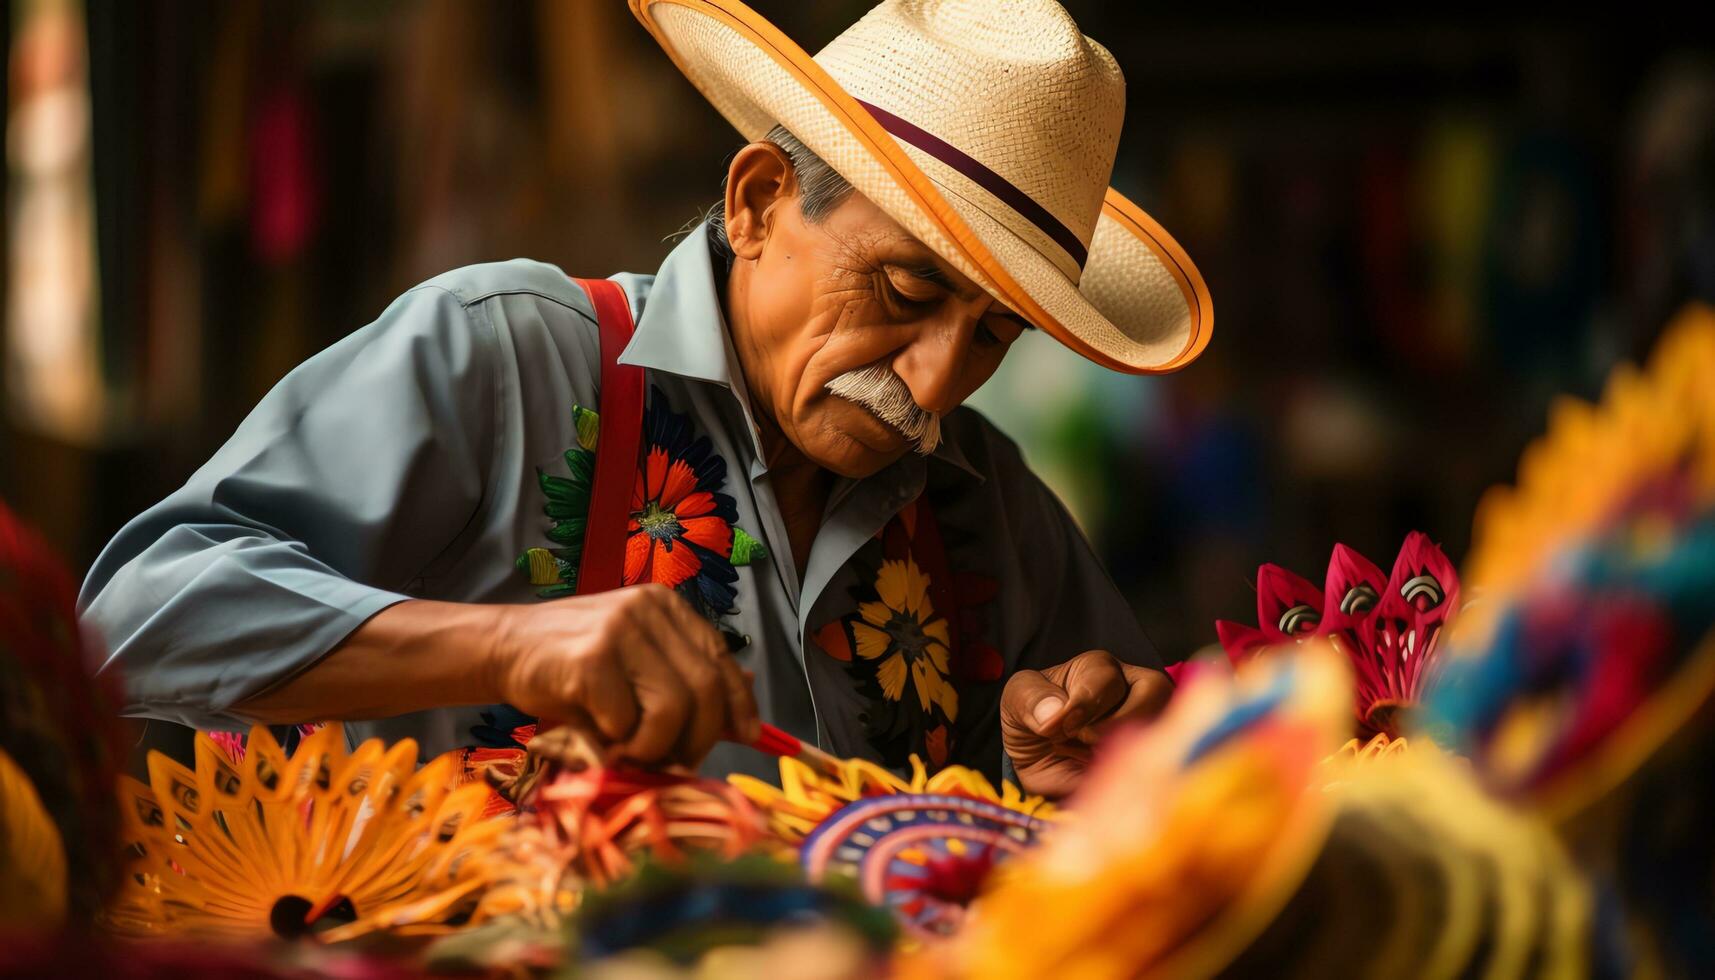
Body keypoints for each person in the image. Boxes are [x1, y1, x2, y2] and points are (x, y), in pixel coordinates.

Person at [79, 0, 1211, 797]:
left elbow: (1157, 821)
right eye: (906, 289)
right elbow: (136, 616)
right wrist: (495, 648)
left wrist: (1074, 772)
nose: (932, 383)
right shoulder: (511, 357)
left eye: (991, 337)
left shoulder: (986, 504)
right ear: (761, 199)